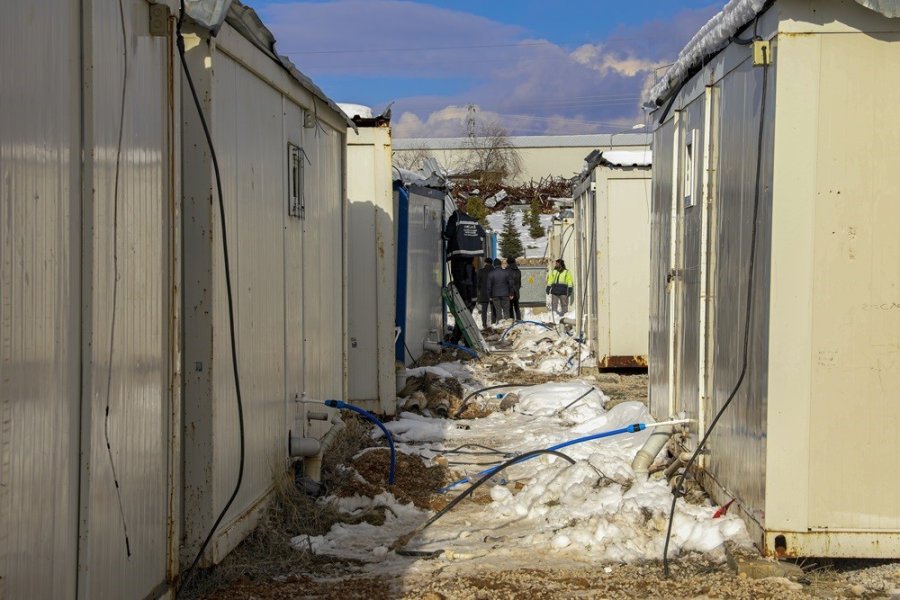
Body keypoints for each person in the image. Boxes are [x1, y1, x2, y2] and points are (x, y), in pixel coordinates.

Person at [476, 257, 496, 328]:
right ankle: (493, 323)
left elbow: (477, 283)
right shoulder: (494, 271)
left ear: (485, 262)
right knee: (493, 308)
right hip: (493, 293)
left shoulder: (481, 271)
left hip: (483, 293)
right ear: (491, 263)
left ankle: (484, 324)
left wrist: (479, 290)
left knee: (484, 310)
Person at [506, 257, 522, 321]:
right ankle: (519, 320)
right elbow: (519, 283)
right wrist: (517, 288)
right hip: (516, 292)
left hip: (509, 292)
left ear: (508, 263)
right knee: (517, 307)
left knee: (510, 307)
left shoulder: (507, 271)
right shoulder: (518, 271)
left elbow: (506, 282)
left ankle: (512, 321)